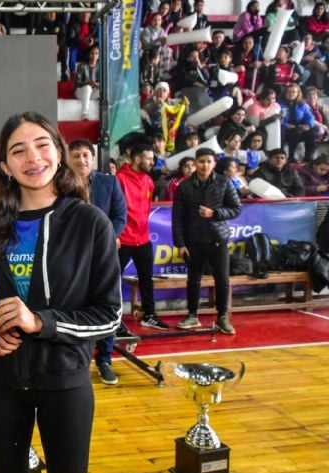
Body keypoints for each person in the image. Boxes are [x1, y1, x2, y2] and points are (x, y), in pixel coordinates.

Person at [0, 112, 121, 473]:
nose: (33, 157)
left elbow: (109, 314)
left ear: (58, 152)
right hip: (2, 383)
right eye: (18, 151)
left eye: (42, 145)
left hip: (65, 382)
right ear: (5, 166)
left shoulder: (90, 222)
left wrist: (40, 321)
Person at [69, 139, 127, 385]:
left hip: (103, 253)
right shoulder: (60, 184)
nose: (81, 160)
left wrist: (108, 237)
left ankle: (104, 359)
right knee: (75, 304)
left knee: (105, 303)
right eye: (76, 155)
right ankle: (76, 358)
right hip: (72, 254)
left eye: (85, 155)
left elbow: (120, 216)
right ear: (67, 159)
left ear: (92, 158)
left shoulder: (109, 182)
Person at [173, 147, 242, 335]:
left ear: (214, 163)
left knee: (222, 280)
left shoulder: (224, 182)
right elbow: (177, 217)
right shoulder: (184, 186)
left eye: (209, 161)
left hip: (218, 239)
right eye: (201, 161)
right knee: (193, 280)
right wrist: (180, 244)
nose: (205, 165)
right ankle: (192, 315)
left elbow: (236, 208)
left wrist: (215, 213)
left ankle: (223, 317)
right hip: (193, 240)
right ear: (195, 163)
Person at [117, 143, 171, 329]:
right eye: (149, 158)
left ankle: (149, 315)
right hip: (123, 239)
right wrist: (116, 234)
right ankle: (114, 318)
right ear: (137, 159)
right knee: (113, 280)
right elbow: (113, 209)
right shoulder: (119, 179)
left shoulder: (148, 180)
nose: (152, 162)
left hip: (143, 238)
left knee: (147, 278)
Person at [279, 83, 316, 162]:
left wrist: (308, 125)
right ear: (285, 93)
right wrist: (285, 125)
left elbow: (310, 117)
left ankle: (308, 157)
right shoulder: (279, 104)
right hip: (285, 129)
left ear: (298, 93)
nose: (291, 94)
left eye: (294, 92)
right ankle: (291, 157)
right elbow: (277, 119)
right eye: (289, 92)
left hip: (298, 127)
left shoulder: (303, 104)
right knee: (295, 132)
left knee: (312, 132)